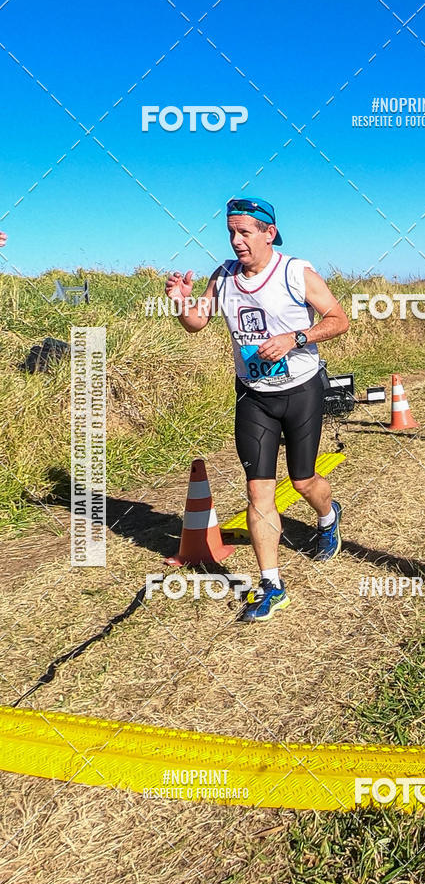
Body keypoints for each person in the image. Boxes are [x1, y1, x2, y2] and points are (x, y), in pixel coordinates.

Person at [165, 196, 349, 622]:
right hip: (253, 396)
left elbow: (338, 320)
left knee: (303, 481)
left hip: (301, 390)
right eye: (231, 232)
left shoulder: (295, 273)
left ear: (269, 233)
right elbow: (196, 323)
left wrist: (294, 338)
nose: (236, 241)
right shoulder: (224, 276)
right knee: (258, 490)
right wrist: (180, 302)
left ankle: (327, 516)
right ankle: (271, 585)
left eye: (245, 232)